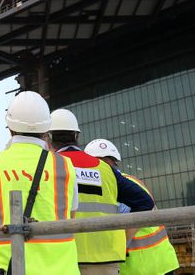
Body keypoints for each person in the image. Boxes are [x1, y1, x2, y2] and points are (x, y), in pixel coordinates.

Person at [0, 91, 78, 274]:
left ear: (9, 127)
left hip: (6, 267)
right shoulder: (64, 165)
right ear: (47, 130)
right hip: (60, 268)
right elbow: (71, 216)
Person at [50, 111, 155, 275]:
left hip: (65, 256)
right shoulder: (105, 169)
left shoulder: (50, 167)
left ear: (49, 138)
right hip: (107, 259)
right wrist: (125, 237)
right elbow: (145, 202)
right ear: (77, 136)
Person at [85, 139, 180, 275]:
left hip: (140, 265)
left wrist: (119, 248)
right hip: (161, 261)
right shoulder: (131, 181)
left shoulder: (115, 186)